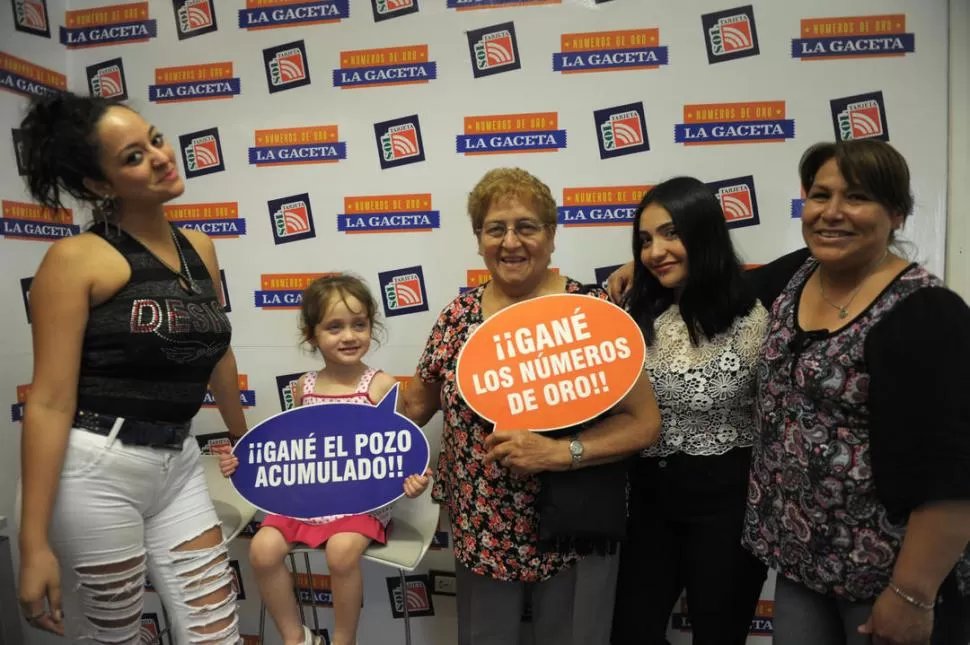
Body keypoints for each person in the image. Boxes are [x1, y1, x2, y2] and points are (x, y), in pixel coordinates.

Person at [609, 140, 970, 645]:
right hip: (798, 558)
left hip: (879, 564)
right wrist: (635, 268)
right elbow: (758, 267)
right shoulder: (799, 282)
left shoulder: (924, 311)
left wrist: (914, 592)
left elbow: (951, 473)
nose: (833, 214)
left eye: (858, 197)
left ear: (897, 213)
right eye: (819, 196)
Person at [16, 91, 247, 643]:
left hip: (180, 462)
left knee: (217, 634)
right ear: (100, 185)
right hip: (97, 469)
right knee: (112, 637)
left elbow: (216, 353)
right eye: (133, 157)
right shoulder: (75, 259)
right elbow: (48, 401)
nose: (161, 156)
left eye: (155, 140)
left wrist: (247, 441)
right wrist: (33, 546)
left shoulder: (200, 246)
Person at [396, 167, 663, 645]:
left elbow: (644, 423)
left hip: (575, 526)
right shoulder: (457, 318)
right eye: (495, 228)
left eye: (526, 226)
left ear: (553, 236)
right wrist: (345, 411)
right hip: (482, 526)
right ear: (479, 240)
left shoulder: (594, 312)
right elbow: (412, 409)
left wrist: (560, 454)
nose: (510, 241)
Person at [218, 275, 432, 645]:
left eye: (359, 324)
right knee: (262, 549)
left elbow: (399, 450)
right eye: (335, 327)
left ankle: (344, 638)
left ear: (371, 326)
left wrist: (413, 481)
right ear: (312, 335)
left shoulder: (380, 386)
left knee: (340, 551)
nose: (349, 336)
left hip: (361, 504)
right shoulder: (306, 386)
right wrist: (244, 464)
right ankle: (296, 637)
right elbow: (294, 451)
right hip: (309, 500)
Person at [610, 177, 768, 645]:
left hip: (727, 505)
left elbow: (812, 255)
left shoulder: (756, 311)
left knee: (719, 635)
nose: (655, 251)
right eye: (644, 241)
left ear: (704, 233)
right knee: (629, 632)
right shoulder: (636, 311)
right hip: (649, 500)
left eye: (671, 233)